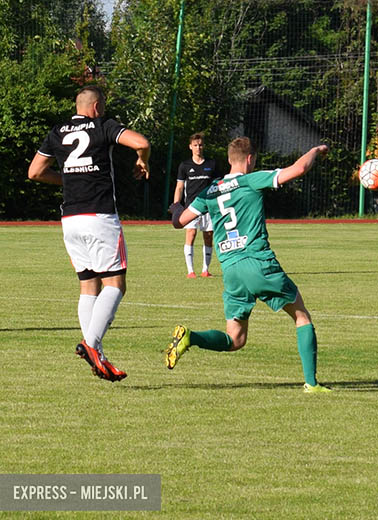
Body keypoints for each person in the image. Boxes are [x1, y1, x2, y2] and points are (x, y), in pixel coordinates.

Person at [166, 137, 331, 393]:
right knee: (301, 316)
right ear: (250, 159)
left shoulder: (210, 190)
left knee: (235, 339)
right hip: (258, 263)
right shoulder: (251, 180)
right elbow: (298, 169)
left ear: (230, 159)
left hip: (231, 270)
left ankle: (190, 336)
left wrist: (176, 207)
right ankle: (311, 383)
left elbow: (180, 221)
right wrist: (315, 150)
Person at [28, 84, 151, 382]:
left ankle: (97, 353)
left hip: (70, 219)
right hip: (100, 216)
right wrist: (142, 160)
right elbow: (141, 141)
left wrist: (68, 180)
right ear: (96, 107)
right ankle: (91, 344)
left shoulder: (57, 131)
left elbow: (34, 172)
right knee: (115, 284)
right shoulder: (101, 125)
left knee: (88, 285)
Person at [173, 132, 221, 278]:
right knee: (191, 233)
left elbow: (218, 186)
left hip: (208, 206)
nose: (198, 148)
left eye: (200, 145)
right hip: (191, 207)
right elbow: (180, 187)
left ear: (203, 146)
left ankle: (205, 270)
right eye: (195, 145)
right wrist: (176, 205)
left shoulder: (211, 164)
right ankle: (190, 271)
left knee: (208, 236)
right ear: (190, 147)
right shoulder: (185, 165)